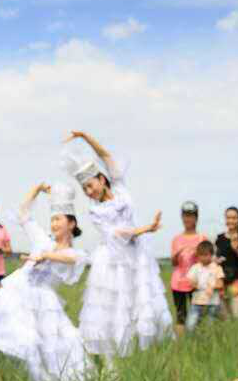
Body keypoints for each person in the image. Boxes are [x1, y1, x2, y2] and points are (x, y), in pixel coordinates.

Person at [63, 130, 173, 363]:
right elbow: (117, 233)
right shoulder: (95, 211)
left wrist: (84, 136)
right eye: (85, 190)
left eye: (91, 186)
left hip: (136, 256)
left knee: (142, 306)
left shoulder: (121, 187)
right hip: (113, 261)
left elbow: (105, 155)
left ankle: (144, 361)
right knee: (112, 312)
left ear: (102, 179)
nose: (89, 192)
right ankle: (111, 366)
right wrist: (145, 229)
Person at [0, 183, 92, 381]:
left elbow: (74, 259)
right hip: (20, 295)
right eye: (52, 220)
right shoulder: (42, 239)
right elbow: (23, 213)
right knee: (23, 340)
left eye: (58, 219)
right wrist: (37, 189)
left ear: (71, 223)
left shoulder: (73, 253)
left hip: (45, 301)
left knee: (60, 343)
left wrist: (46, 256)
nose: (53, 224)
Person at [169, 200, 209, 337]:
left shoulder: (202, 238)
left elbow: (207, 261)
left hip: (196, 284)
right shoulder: (176, 239)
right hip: (178, 283)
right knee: (181, 316)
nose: (188, 219)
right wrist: (177, 254)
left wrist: (198, 254)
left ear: (196, 218)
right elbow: (173, 263)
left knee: (198, 316)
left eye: (191, 216)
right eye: (185, 216)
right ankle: (181, 346)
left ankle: (198, 343)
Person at [216, 206, 238, 318]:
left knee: (237, 316)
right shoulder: (220, 238)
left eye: (234, 218)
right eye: (228, 218)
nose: (231, 220)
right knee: (224, 318)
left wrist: (236, 249)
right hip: (222, 284)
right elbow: (216, 259)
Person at [184, 241, 225, 332]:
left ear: (211, 255)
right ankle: (191, 342)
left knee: (211, 327)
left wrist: (212, 287)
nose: (203, 258)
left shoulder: (216, 267)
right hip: (197, 302)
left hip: (213, 303)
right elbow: (191, 282)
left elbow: (220, 283)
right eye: (200, 255)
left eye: (206, 255)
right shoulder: (195, 267)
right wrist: (202, 287)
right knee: (191, 325)